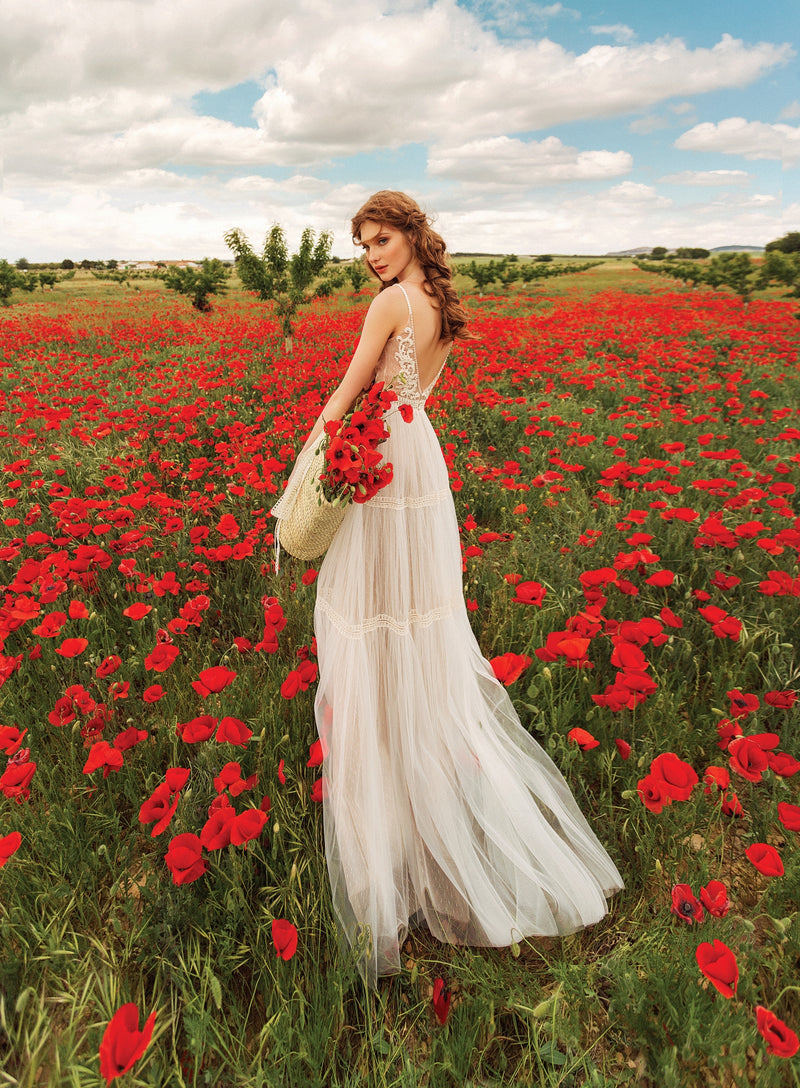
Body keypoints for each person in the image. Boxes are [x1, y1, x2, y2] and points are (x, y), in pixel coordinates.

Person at [272, 191, 623, 987]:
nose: (371, 254)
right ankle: (424, 809)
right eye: (363, 244)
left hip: (374, 461)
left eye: (381, 237)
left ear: (410, 233)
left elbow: (347, 393)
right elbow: (413, 397)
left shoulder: (391, 302)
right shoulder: (437, 303)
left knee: (364, 621)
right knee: (414, 627)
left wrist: (307, 472)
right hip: (416, 459)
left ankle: (389, 837)